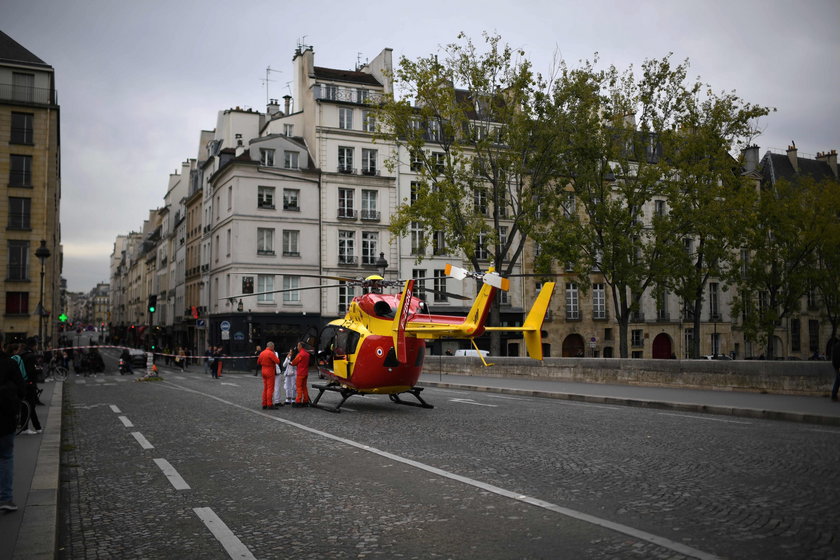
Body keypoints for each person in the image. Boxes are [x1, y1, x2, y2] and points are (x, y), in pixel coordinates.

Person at [0, 335, 26, 511]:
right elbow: (22, 389)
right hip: (4, 418)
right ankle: (5, 499)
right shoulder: (9, 363)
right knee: (6, 456)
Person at [11, 344, 41, 435]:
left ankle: (35, 427)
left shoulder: (20, 356)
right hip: (27, 383)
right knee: (29, 405)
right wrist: (38, 371)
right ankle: (28, 427)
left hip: (19, 384)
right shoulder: (28, 356)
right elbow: (31, 371)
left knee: (27, 405)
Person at [257, 342, 281, 409]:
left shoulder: (262, 353)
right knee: (270, 388)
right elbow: (277, 361)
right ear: (272, 347)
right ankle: (269, 404)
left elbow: (258, 362)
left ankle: (264, 404)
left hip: (263, 370)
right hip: (270, 370)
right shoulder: (271, 353)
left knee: (265, 388)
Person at [292, 342, 311, 407]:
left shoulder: (300, 354)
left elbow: (294, 362)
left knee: (299, 387)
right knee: (304, 387)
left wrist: (292, 363)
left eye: (298, 346)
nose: (297, 347)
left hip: (300, 373)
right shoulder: (307, 354)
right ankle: (305, 401)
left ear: (300, 346)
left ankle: (298, 401)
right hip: (305, 372)